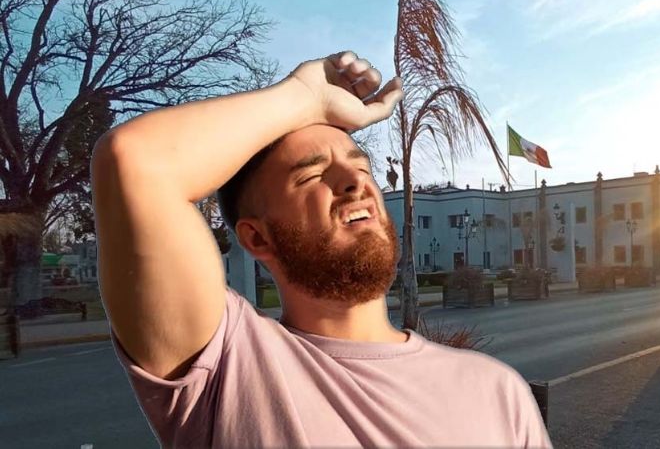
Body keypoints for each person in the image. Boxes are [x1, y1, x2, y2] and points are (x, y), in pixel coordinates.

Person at [92, 51, 552, 448]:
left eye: (360, 166)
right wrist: (305, 96)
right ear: (257, 238)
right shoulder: (229, 365)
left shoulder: (498, 392)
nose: (354, 181)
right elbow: (134, 161)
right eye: (312, 176)